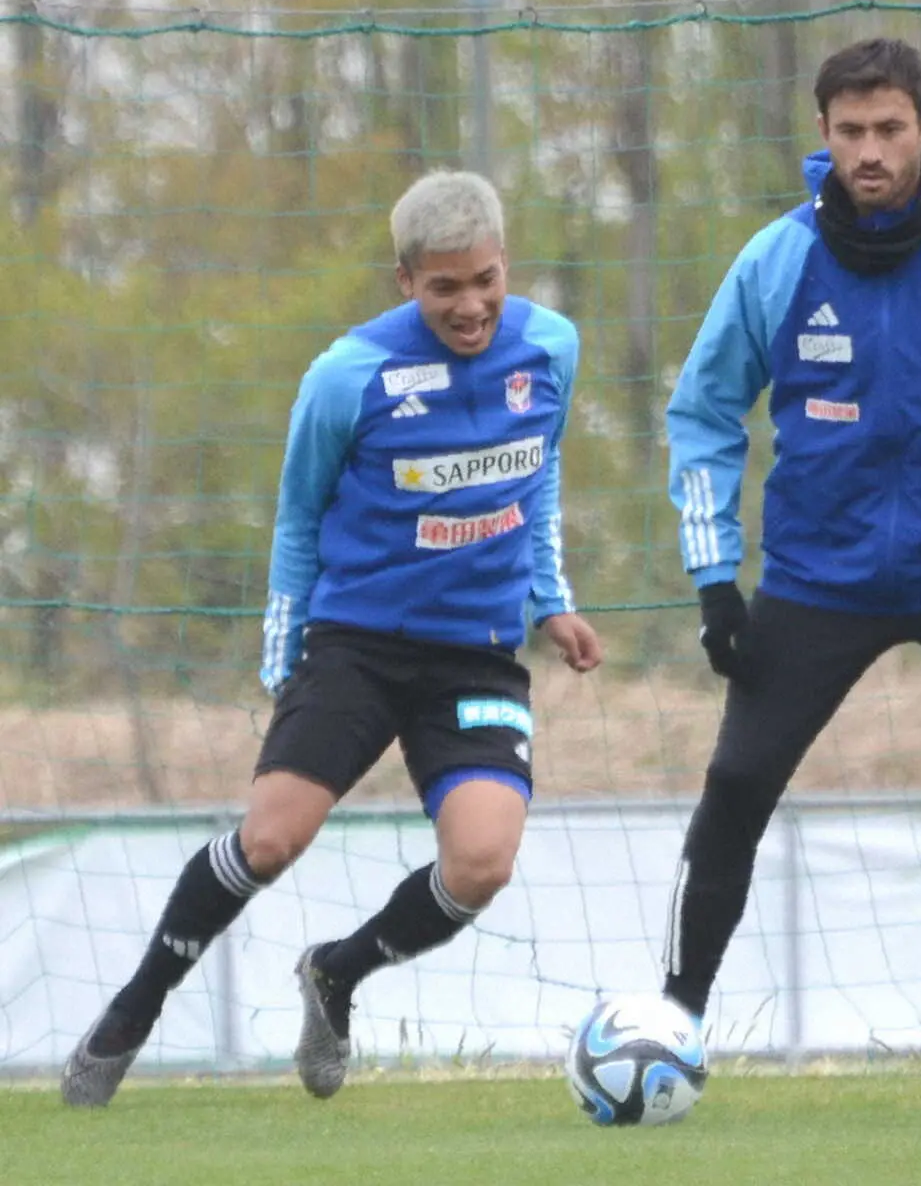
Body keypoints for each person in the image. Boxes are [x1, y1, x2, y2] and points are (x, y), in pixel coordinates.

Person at [61, 168, 603, 1107]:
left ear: (504, 264)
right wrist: (286, 663)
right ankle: (132, 1011)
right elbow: (298, 519)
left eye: (484, 280)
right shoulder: (348, 376)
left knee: (481, 864)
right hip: (356, 643)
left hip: (476, 653)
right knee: (271, 842)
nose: (470, 306)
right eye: (444, 287)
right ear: (405, 280)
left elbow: (537, 474)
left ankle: (335, 974)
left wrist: (551, 600)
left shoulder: (551, 347)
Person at [662, 37, 921, 1031]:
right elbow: (702, 413)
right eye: (850, 132)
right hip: (816, 581)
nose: (869, 151)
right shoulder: (777, 259)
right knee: (735, 783)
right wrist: (714, 578)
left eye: (889, 129)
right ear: (823, 134)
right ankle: (672, 1021)